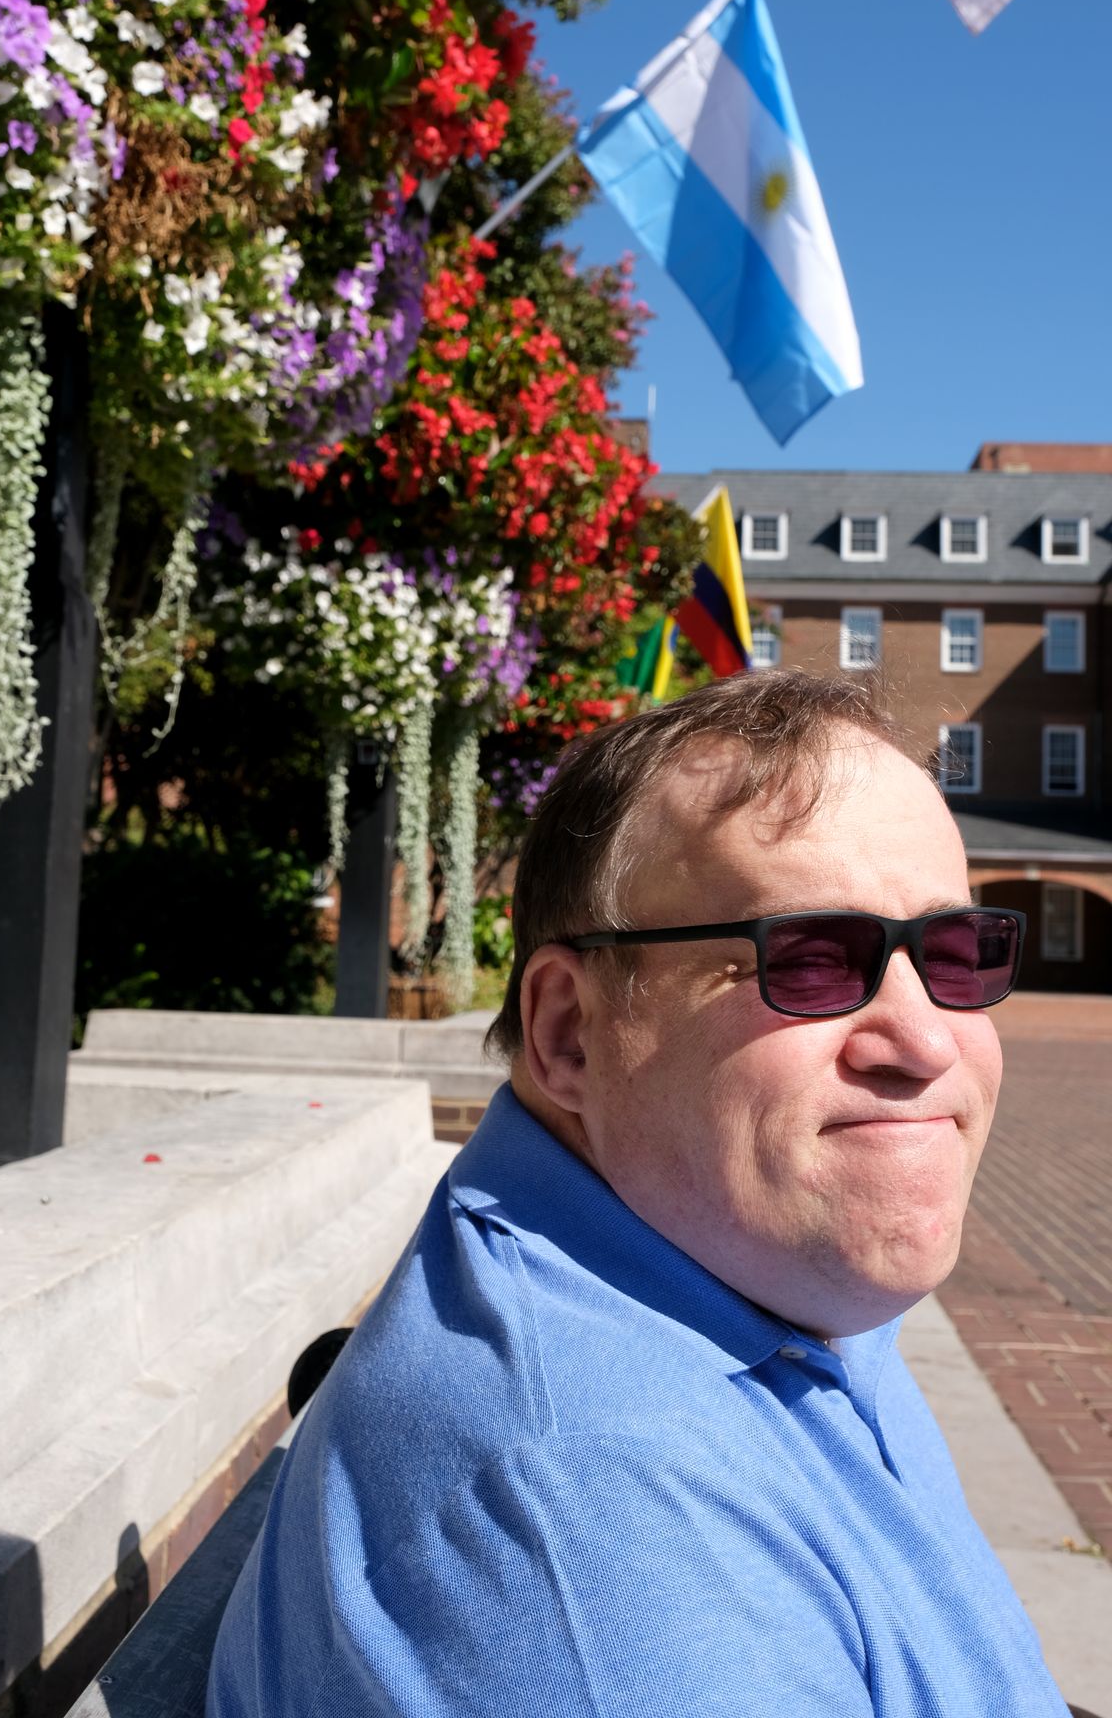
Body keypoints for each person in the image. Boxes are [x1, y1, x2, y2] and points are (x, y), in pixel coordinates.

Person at [209, 670, 1073, 1717]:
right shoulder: (592, 1508)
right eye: (808, 959)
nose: (926, 1042)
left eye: (956, 955)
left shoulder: (753, 1273)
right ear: (570, 1033)